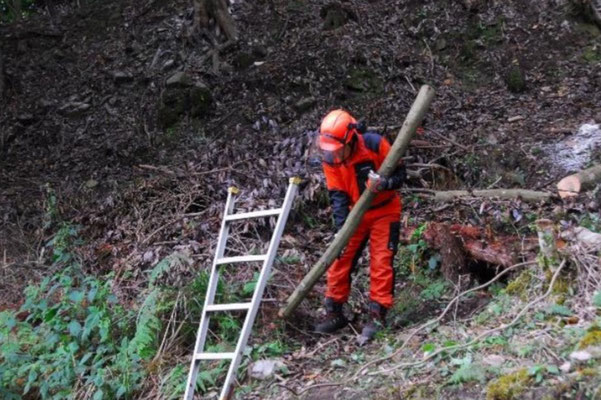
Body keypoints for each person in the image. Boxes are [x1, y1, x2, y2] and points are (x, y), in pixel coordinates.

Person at [315, 109, 406, 342]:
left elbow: (400, 175)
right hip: (355, 213)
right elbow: (337, 196)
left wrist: (385, 183)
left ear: (350, 140)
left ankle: (377, 314)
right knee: (340, 258)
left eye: (337, 151)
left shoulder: (375, 144)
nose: (334, 156)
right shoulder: (330, 157)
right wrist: (341, 230)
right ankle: (334, 311)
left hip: (384, 210)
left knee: (381, 260)